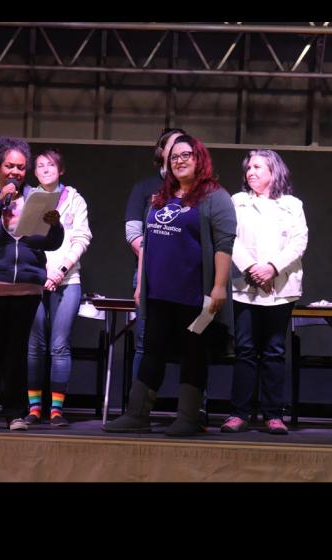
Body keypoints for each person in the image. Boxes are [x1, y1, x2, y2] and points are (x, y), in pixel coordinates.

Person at [103, 134, 236, 437]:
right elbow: (147, 243)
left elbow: (224, 245)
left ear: (199, 158)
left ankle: (188, 417)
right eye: (174, 157)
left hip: (195, 295)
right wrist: (141, 285)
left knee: (193, 353)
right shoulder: (161, 196)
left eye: (186, 155)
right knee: (152, 351)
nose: (179, 161)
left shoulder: (215, 197)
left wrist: (218, 287)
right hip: (159, 293)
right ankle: (137, 414)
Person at [0, 136, 64, 431]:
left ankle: (16, 413)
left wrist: (55, 225)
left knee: (17, 351)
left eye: (20, 167)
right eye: (9, 166)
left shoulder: (36, 200)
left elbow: (51, 244)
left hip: (26, 287)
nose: (15, 172)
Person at [221, 150, 308, 435]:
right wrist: (253, 270)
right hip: (246, 287)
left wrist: (272, 268)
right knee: (245, 349)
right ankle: (239, 413)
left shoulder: (292, 204)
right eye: (248, 168)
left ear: (274, 171)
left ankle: (273, 415)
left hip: (281, 288)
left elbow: (298, 242)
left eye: (257, 167)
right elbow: (230, 238)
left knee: (274, 351)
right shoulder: (237, 201)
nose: (251, 172)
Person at [25, 148, 92, 427]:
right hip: (34, 281)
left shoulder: (75, 199)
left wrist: (61, 271)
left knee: (59, 346)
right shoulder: (29, 198)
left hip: (67, 280)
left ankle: (56, 411)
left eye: (50, 165)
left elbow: (81, 238)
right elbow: (23, 239)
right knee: (34, 346)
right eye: (40, 165)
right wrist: (41, 274)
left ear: (61, 169)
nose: (45, 169)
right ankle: (34, 409)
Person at [125, 128, 186, 379]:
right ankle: (140, 401)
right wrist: (156, 255)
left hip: (186, 277)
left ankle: (192, 402)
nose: (179, 152)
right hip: (149, 274)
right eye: (174, 146)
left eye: (185, 147)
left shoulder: (195, 189)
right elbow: (132, 232)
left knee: (190, 344)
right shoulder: (145, 188)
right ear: (162, 152)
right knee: (146, 343)